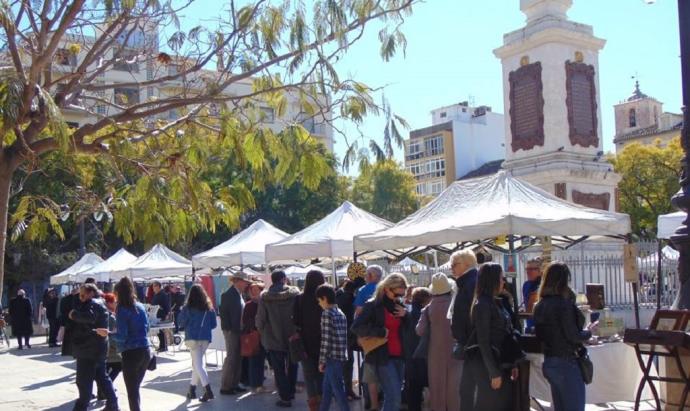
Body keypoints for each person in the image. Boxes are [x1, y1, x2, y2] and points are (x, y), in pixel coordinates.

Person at [534, 262, 595, 411]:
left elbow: (540, 334)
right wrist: (589, 332)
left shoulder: (540, 305)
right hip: (566, 362)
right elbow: (573, 335)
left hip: (550, 361)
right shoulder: (563, 304)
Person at [351, 273, 410, 411]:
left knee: (392, 397)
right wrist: (380, 332)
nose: (398, 298)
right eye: (396, 294)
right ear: (386, 289)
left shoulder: (399, 305)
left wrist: (406, 315)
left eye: (401, 295)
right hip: (382, 357)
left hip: (399, 356)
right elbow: (356, 327)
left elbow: (409, 329)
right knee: (395, 398)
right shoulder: (373, 305)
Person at [464, 263, 518, 411]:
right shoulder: (482, 305)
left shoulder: (494, 302)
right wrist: (493, 372)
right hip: (488, 366)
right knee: (489, 403)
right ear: (492, 280)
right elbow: (483, 341)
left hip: (499, 363)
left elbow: (505, 333)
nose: (503, 282)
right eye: (501, 278)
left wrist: (511, 364)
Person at [69, 284, 118, 411]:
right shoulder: (99, 303)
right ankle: (113, 404)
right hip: (96, 348)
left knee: (84, 381)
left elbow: (89, 318)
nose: (81, 297)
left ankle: (81, 407)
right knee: (102, 377)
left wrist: (73, 315)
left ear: (91, 293)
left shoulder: (93, 304)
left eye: (83, 294)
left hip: (89, 349)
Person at [417, 273, 461, 411]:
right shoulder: (456, 305)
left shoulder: (428, 308)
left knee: (437, 386)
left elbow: (420, 330)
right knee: (454, 388)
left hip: (435, 351)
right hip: (455, 349)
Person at [256, 270, 300, 408]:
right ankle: (291, 391)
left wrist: (263, 332)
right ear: (284, 279)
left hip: (272, 338)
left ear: (272, 280)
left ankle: (285, 397)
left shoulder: (265, 297)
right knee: (293, 366)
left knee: (279, 369)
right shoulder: (295, 295)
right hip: (293, 336)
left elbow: (260, 320)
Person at [112, 277, 151, 411]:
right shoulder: (140, 306)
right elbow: (148, 328)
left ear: (119, 293)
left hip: (131, 353)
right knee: (135, 389)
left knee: (132, 392)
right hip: (145, 350)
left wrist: (108, 334)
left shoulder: (121, 309)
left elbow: (122, 336)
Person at [448, 249, 479, 411]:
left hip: (472, 343)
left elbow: (471, 315)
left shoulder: (470, 282)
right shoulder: (466, 282)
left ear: (467, 264)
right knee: (466, 389)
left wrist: (465, 338)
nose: (452, 267)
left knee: (468, 390)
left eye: (455, 264)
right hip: (470, 343)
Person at [179, 284, 218, 402]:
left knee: (198, 365)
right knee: (197, 365)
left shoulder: (187, 308)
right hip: (205, 339)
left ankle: (208, 391)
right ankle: (192, 390)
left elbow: (181, 322)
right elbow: (214, 325)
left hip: (192, 338)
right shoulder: (209, 307)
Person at [294, 270, 326, 411]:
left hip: (304, 341)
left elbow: (295, 321)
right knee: (321, 373)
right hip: (322, 340)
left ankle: (312, 404)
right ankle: (322, 400)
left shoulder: (299, 298)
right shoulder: (325, 298)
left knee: (308, 374)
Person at [353, 265, 384, 411]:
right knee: (385, 367)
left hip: (368, 335)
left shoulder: (363, 291)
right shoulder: (386, 289)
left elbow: (358, 313)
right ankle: (384, 397)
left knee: (369, 369)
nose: (365, 277)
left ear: (371, 276)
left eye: (366, 274)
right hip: (385, 333)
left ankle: (372, 403)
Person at [316, 284, 350, 411]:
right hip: (340, 355)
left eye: (319, 300)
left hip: (331, 357)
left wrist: (321, 361)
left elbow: (326, 340)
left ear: (324, 298)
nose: (319, 304)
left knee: (338, 391)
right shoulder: (340, 313)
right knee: (327, 391)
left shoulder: (327, 314)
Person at [220, 271, 251, 395]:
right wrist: (234, 329)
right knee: (232, 358)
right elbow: (227, 315)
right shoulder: (229, 294)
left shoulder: (238, 294)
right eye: (244, 281)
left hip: (237, 330)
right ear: (237, 281)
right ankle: (226, 387)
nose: (246, 284)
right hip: (232, 331)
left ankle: (234, 383)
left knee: (238, 357)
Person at [404, 287, 431, 411]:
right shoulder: (423, 313)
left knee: (413, 390)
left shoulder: (408, 313)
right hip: (421, 355)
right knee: (423, 386)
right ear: (424, 300)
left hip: (409, 355)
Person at [335, 279, 361, 400]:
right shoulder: (349, 298)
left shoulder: (338, 296)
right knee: (347, 363)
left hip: (340, 334)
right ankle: (347, 390)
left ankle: (345, 390)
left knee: (344, 364)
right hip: (347, 335)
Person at [98, 293, 122, 402]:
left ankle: (101, 392)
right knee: (118, 366)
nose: (116, 304)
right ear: (108, 303)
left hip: (101, 347)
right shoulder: (111, 317)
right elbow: (112, 334)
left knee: (104, 371)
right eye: (114, 302)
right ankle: (107, 389)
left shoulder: (100, 314)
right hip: (111, 348)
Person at [243, 282, 266, 393]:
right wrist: (256, 322)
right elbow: (245, 321)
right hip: (254, 336)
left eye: (256, 290)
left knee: (261, 361)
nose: (254, 292)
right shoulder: (249, 305)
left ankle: (259, 384)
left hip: (265, 336)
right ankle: (254, 385)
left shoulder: (264, 303)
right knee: (254, 361)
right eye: (252, 290)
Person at [522, 257, 543, 333]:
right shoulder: (526, 285)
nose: (528, 271)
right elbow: (527, 306)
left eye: (531, 269)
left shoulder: (543, 286)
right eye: (527, 269)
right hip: (529, 326)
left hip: (540, 328)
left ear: (539, 271)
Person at [151, 281, 171, 352]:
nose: (153, 288)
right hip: (155, 316)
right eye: (153, 286)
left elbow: (167, 306)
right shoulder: (156, 295)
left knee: (161, 331)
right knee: (158, 332)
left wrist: (166, 315)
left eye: (155, 286)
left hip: (161, 315)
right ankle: (161, 346)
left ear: (159, 286)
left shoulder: (163, 295)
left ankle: (164, 346)